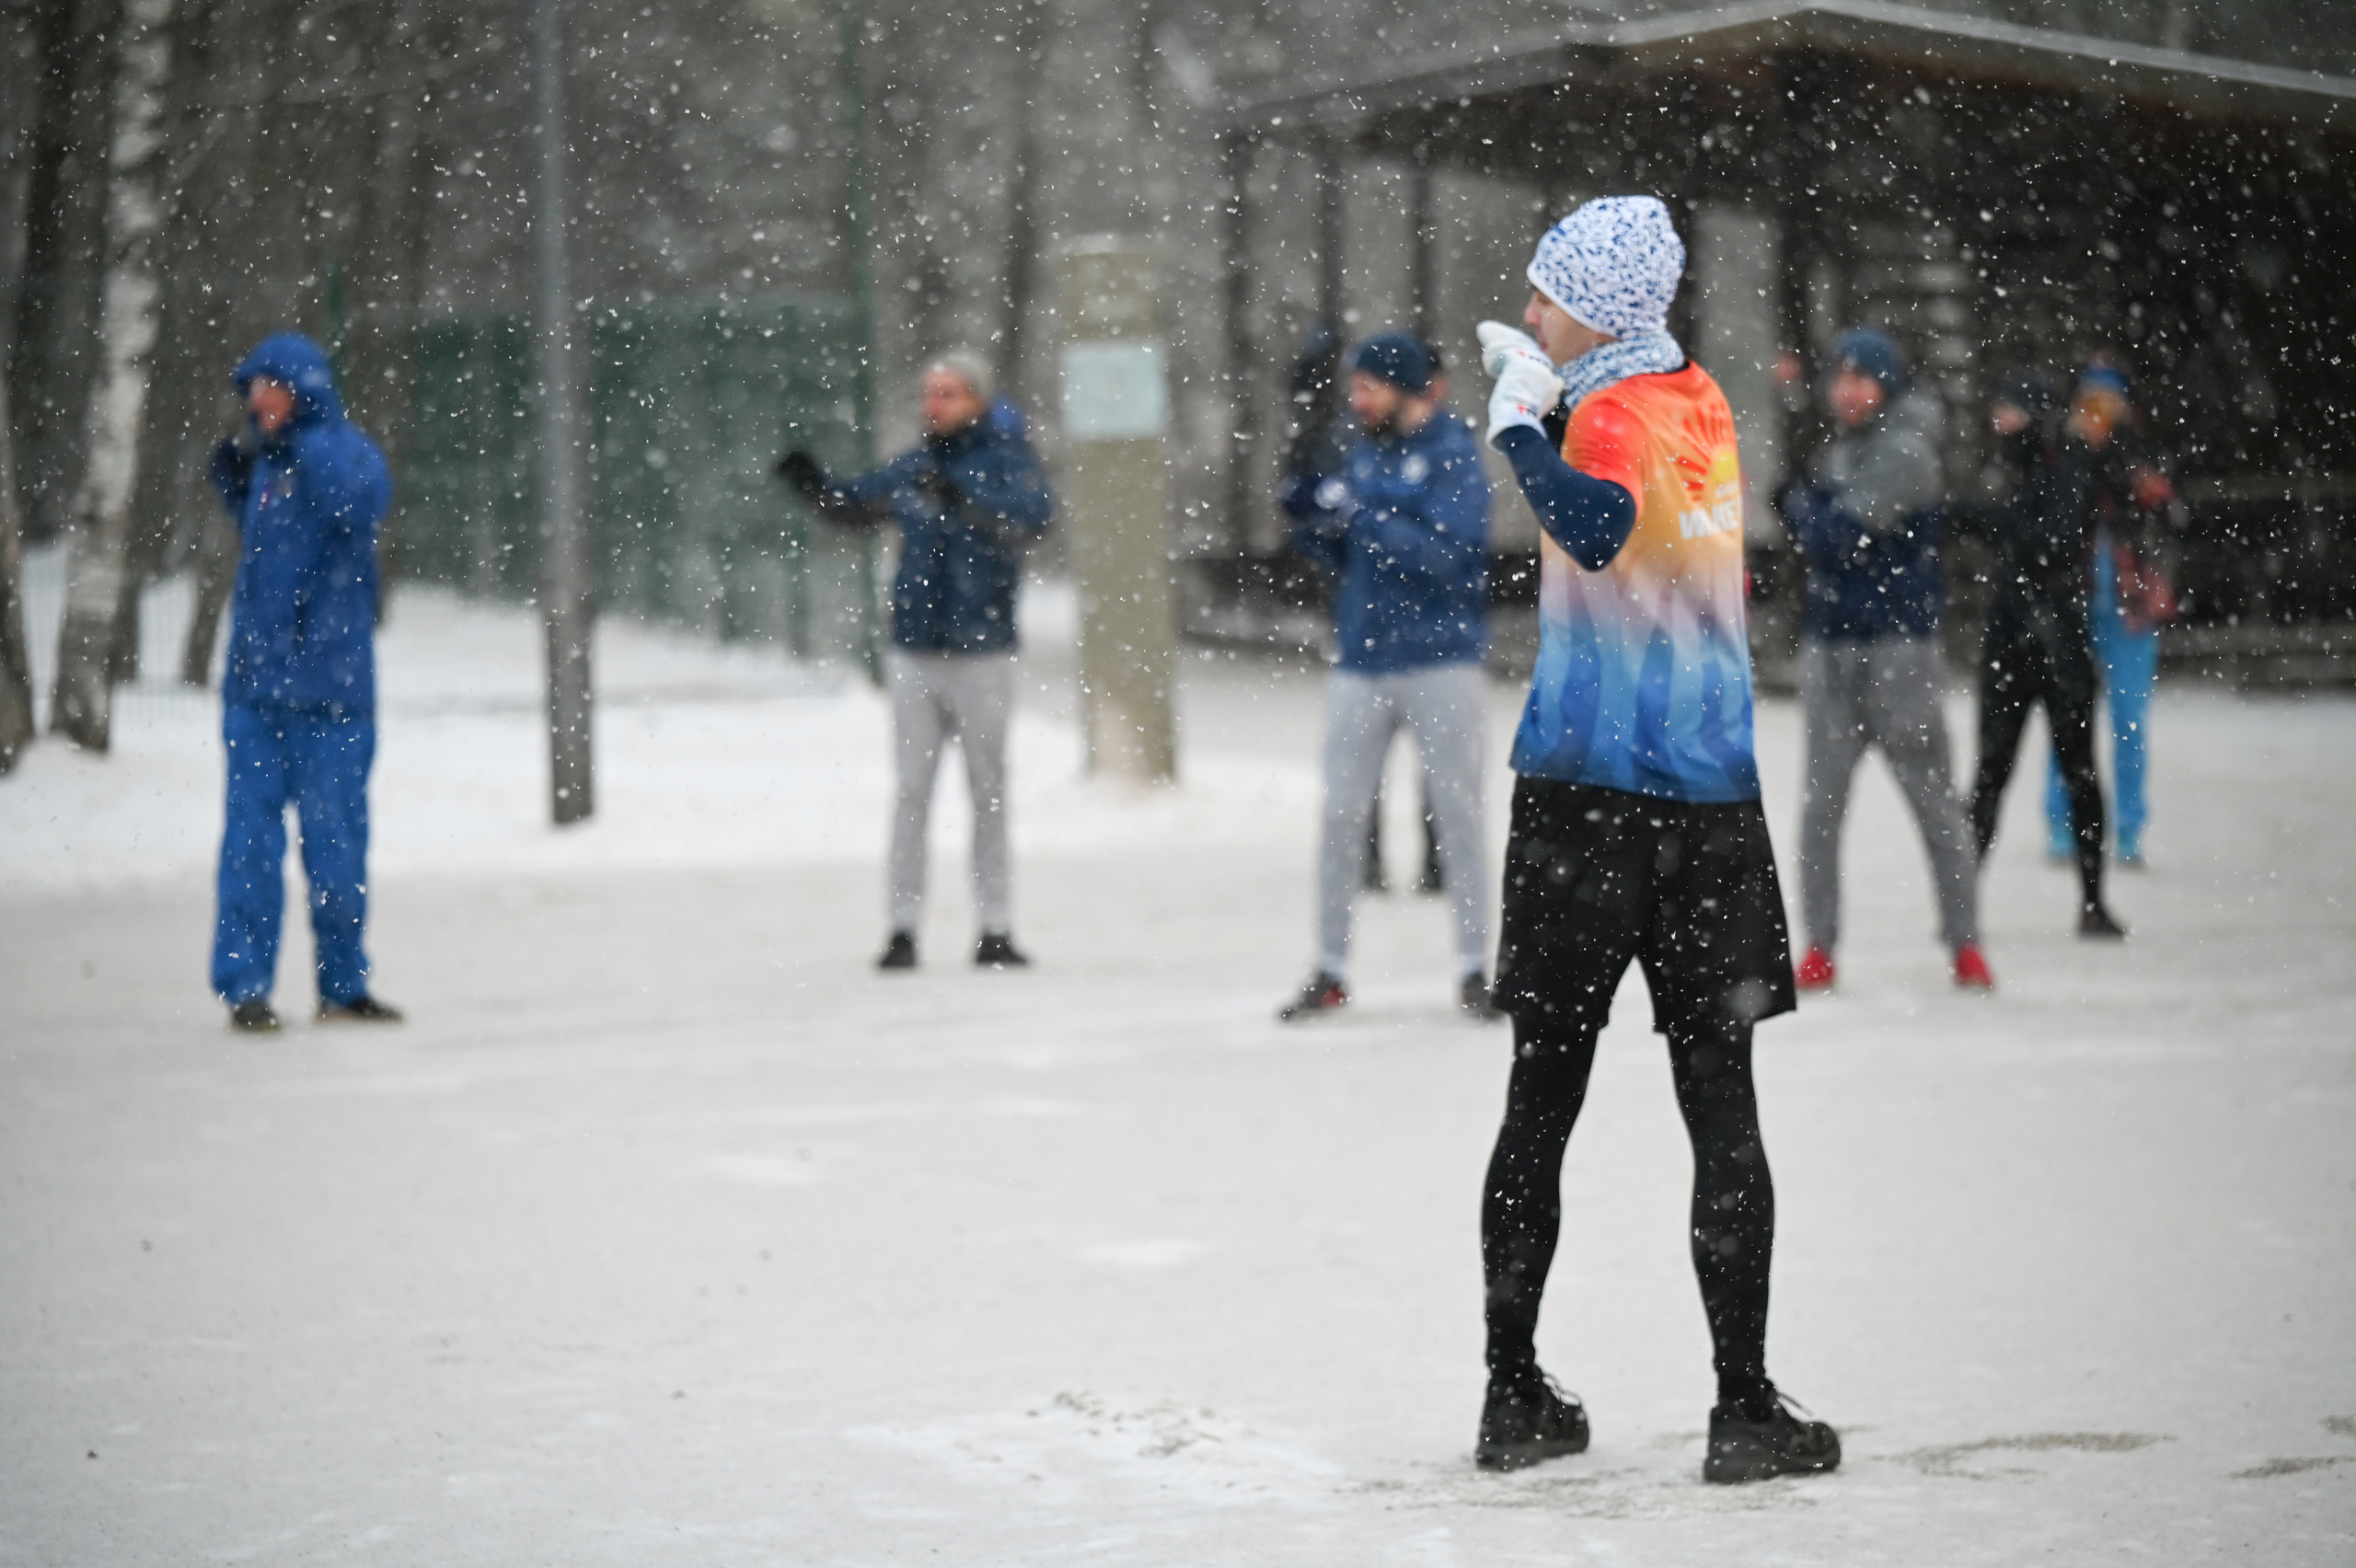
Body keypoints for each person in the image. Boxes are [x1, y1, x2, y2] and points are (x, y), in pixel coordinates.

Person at [1472, 196, 1839, 1484]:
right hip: (1705, 808)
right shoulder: (1701, 399)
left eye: (1547, 298)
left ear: (1608, 307)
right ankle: (1745, 1407)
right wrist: (1552, 403)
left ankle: (1512, 1392)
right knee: (1721, 1104)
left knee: (1542, 1100)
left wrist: (1522, 427)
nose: (1528, 314)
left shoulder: (1608, 417)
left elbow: (1591, 526)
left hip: (1583, 801)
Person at [779, 351, 1053, 970]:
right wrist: (815, 486)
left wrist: (966, 498)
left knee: (988, 790)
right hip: (916, 648)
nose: (934, 406)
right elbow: (857, 504)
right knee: (911, 792)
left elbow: (1032, 519)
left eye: (948, 394)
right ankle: (902, 928)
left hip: (982, 651)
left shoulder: (1009, 463)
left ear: (977, 401)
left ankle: (997, 926)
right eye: (929, 394)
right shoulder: (917, 464)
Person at [1271, 330, 1498, 1021]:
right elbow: (1352, 556)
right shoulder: (1362, 456)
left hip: (1441, 661)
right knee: (1341, 814)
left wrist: (1362, 518)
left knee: (1458, 813)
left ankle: (1474, 968)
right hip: (1362, 658)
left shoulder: (1454, 458)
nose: (1356, 399)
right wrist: (1313, 523)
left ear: (1404, 388)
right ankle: (1331, 967)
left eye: (1369, 386)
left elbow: (1448, 555)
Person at [1776, 329, 1992, 991]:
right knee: (1820, 808)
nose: (1845, 392)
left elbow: (1831, 536)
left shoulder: (1905, 453)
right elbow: (1806, 514)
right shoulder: (1845, 451)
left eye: (1859, 378)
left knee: (1933, 802)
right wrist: (1803, 504)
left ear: (1887, 384)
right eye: (1838, 378)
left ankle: (1966, 944)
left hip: (1899, 653)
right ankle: (1818, 946)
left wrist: (1802, 507)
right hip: (1832, 647)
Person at [208, 333, 399, 1032]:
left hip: (333, 698)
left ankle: (344, 987)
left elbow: (356, 506)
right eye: (251, 389)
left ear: (304, 389)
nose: (257, 402)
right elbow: (276, 551)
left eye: (270, 387)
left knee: (337, 847)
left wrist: (304, 444)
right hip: (258, 696)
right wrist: (237, 480)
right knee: (248, 847)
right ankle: (246, 988)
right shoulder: (270, 467)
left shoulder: (343, 454)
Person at [1966, 373, 2129, 938]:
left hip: (2058, 642)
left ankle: (2093, 900)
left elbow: (2050, 540)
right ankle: (1963, 911)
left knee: (2078, 772)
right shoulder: (2002, 471)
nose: (2000, 425)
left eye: (2010, 414)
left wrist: (1985, 519)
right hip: (2013, 638)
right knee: (1991, 774)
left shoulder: (2070, 469)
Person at [2042, 363, 2177, 868]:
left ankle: (2128, 826)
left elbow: (2162, 511)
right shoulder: (2063, 457)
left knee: (2129, 718)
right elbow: (2051, 517)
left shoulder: (2142, 456)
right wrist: (2080, 456)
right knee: (2068, 715)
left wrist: (2116, 459)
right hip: (2074, 604)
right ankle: (2061, 821)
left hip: (2131, 608)